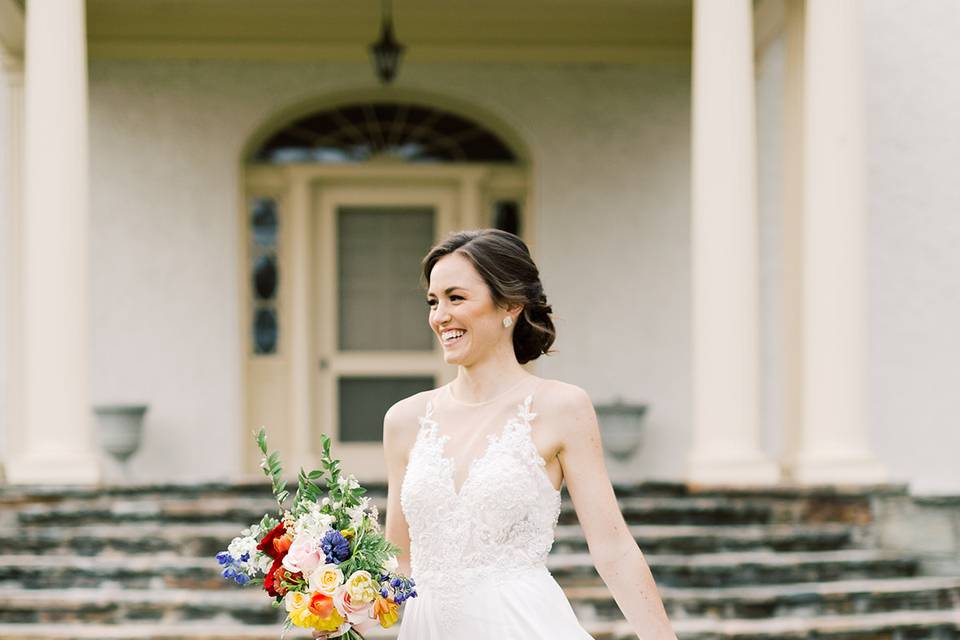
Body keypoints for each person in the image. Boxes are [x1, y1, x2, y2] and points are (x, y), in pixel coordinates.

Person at [317, 229, 676, 639]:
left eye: (456, 298)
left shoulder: (561, 408)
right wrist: (334, 606)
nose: (440, 316)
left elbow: (613, 550)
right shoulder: (404, 420)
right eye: (433, 302)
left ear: (510, 304)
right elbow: (400, 561)